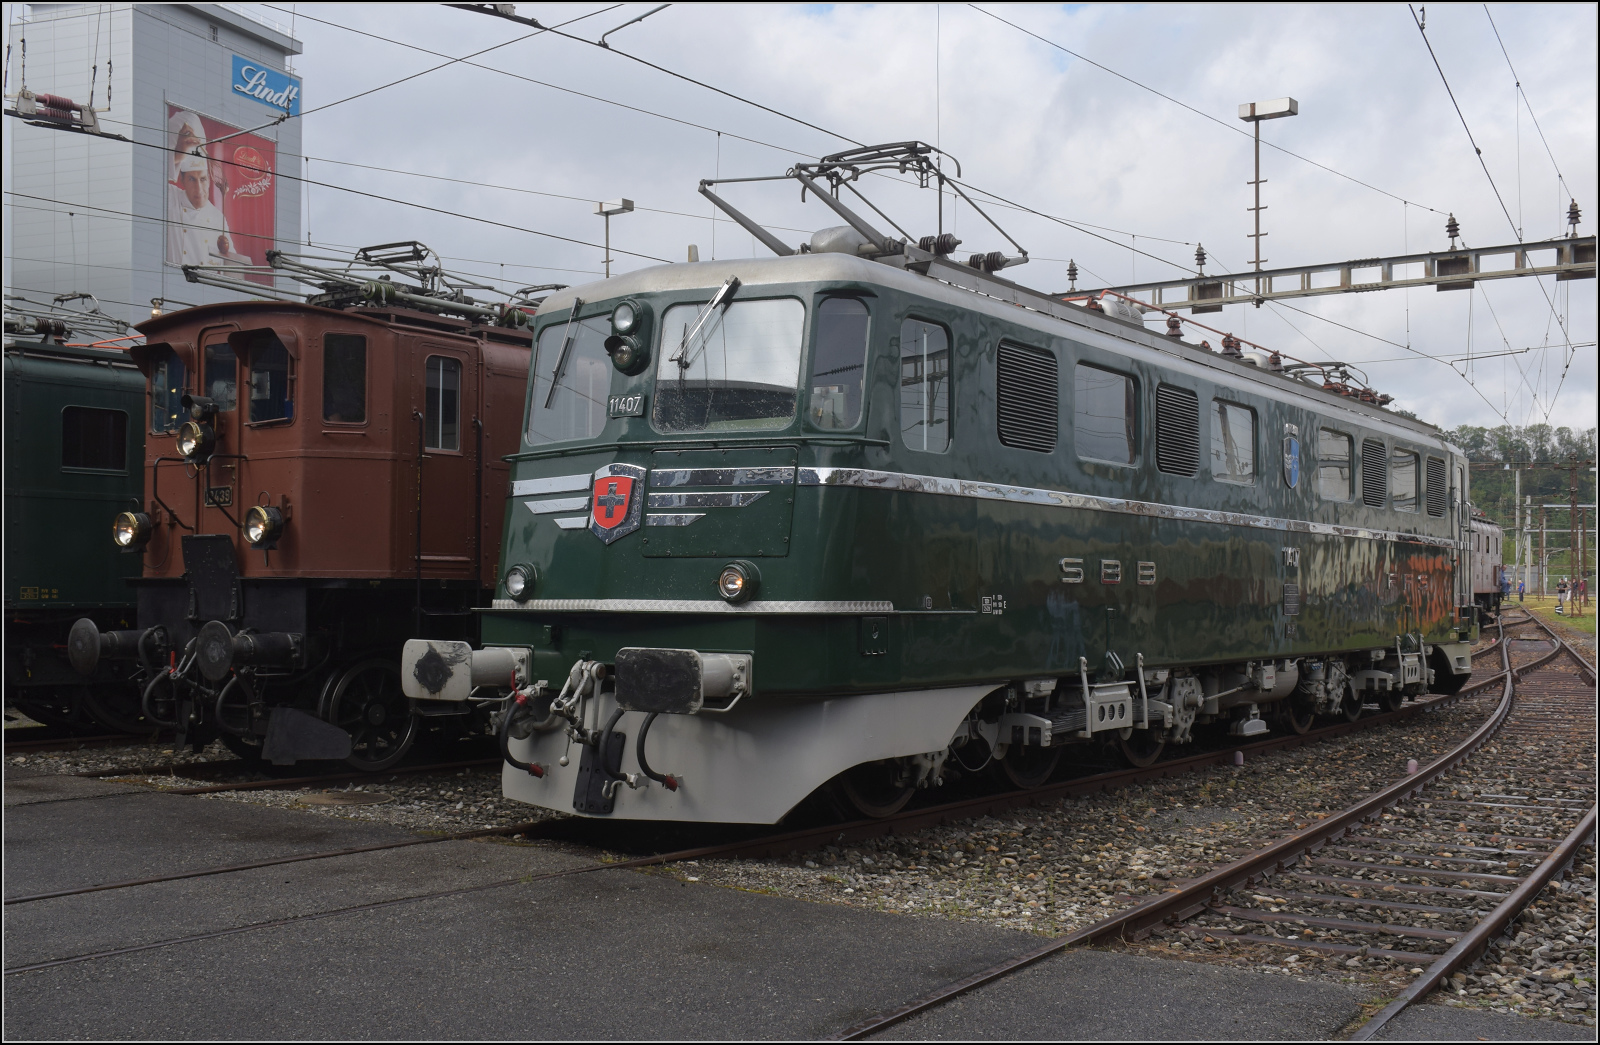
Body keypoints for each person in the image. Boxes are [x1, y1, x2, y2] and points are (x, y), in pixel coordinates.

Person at [166, 153, 233, 267]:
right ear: (182, 180)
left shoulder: (217, 218)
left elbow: (232, 260)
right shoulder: (172, 197)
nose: (199, 188)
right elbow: (152, 175)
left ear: (209, 181)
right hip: (172, 278)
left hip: (204, 282)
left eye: (203, 179)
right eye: (192, 179)